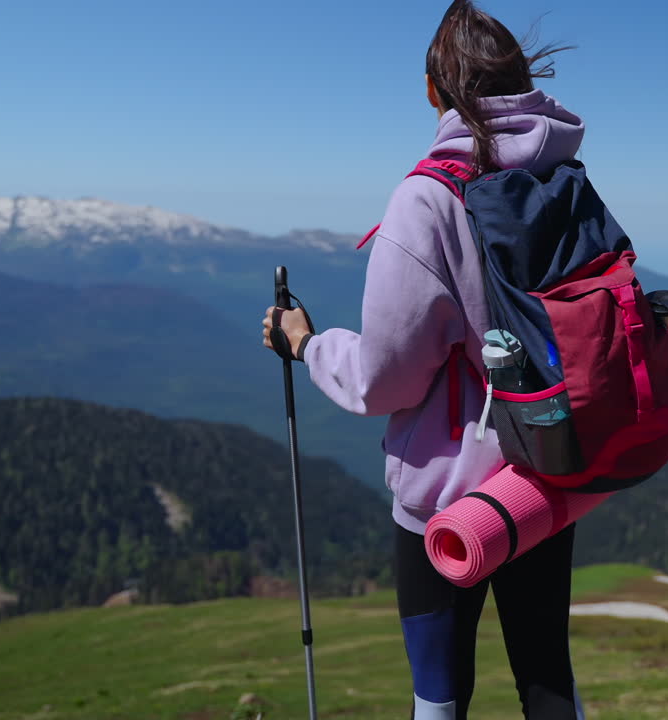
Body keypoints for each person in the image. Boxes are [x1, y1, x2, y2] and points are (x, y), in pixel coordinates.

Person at [263, 2, 586, 718]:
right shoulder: (565, 177)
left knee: (439, 692)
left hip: (449, 497)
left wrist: (309, 343)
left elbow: (387, 377)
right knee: (547, 675)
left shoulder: (427, 200)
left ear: (434, 92)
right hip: (546, 469)